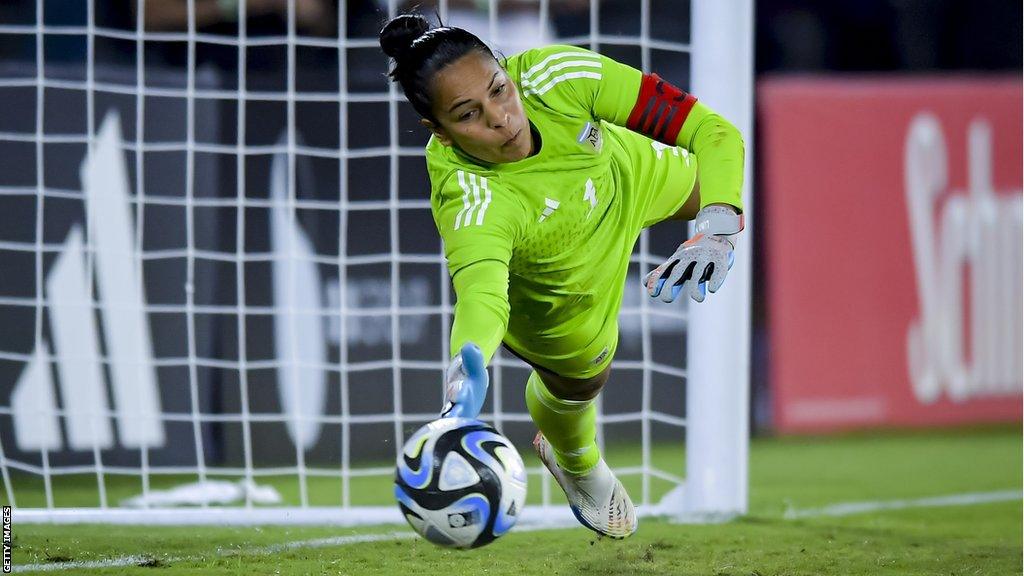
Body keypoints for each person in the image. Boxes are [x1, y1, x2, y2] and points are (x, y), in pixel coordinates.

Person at [379, 12, 744, 539]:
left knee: (724, 185)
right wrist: (467, 365)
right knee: (583, 383)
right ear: (438, 131)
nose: (501, 119)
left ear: (507, 70)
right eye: (468, 115)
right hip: (562, 287)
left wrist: (716, 228)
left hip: (629, 175)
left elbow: (713, 131)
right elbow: (482, 296)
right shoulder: (473, 199)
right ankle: (576, 459)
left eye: (499, 90)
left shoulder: (557, 76)